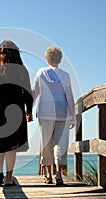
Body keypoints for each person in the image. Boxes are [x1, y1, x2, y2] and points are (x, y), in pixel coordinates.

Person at [0, 40, 33, 186]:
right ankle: (9, 178)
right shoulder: (21, 69)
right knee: (11, 144)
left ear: (0, 52)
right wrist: (29, 111)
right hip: (16, 108)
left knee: (0, 142)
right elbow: (28, 92)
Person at [32, 46, 76, 186]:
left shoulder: (41, 72)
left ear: (47, 58)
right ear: (60, 59)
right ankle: (59, 175)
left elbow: (34, 92)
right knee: (60, 143)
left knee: (46, 142)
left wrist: (28, 110)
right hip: (62, 113)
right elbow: (69, 96)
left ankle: (48, 175)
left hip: (45, 112)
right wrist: (73, 116)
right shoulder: (65, 75)